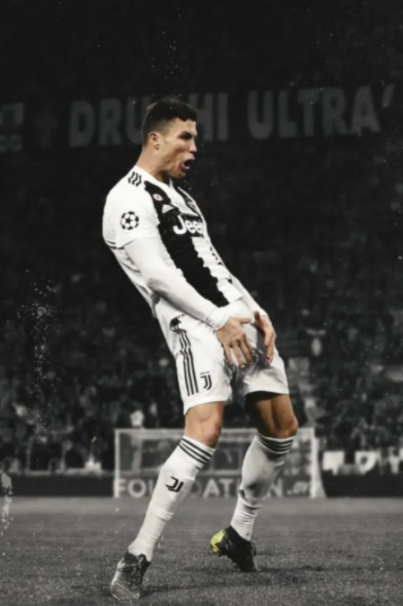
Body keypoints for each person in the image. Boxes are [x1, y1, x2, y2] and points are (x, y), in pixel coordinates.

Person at [102, 98, 298, 601]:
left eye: (196, 139)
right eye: (186, 138)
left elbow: (214, 263)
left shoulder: (184, 198)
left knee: (281, 430)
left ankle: (238, 535)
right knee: (206, 430)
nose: (195, 148)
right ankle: (136, 556)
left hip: (236, 319)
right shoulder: (127, 198)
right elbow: (157, 275)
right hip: (195, 325)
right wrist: (217, 320)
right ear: (155, 138)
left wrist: (256, 310)